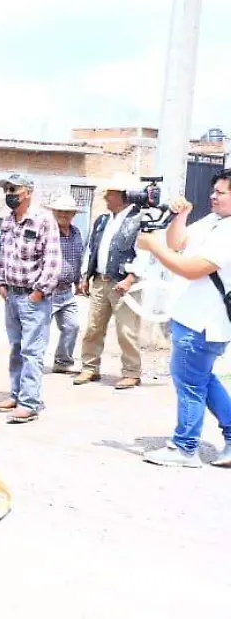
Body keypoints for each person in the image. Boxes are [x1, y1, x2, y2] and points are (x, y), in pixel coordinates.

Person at [135, 169, 231, 468]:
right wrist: (181, 217)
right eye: (214, 190)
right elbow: (178, 244)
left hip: (202, 322)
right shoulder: (214, 221)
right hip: (191, 317)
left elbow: (191, 269)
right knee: (203, 380)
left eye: (221, 192)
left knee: (190, 384)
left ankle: (184, 447)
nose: (213, 196)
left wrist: (153, 246)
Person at [0, 173, 62, 424]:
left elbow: (52, 261)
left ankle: (29, 403)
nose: (9, 194)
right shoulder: (8, 221)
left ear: (28, 192)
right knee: (16, 348)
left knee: (32, 352)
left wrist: (38, 293)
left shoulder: (43, 220)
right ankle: (16, 394)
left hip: (33, 298)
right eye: (7, 190)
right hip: (11, 295)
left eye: (14, 189)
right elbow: (4, 254)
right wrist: (0, 282)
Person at [74, 174, 144, 389]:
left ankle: (132, 372)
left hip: (125, 284)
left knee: (126, 330)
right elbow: (91, 249)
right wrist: (86, 276)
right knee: (93, 328)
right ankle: (90, 367)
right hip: (100, 281)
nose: (105, 197)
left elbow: (145, 255)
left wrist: (130, 279)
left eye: (110, 193)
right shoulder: (103, 220)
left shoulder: (139, 220)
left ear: (124, 195)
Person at [45, 194, 86, 375]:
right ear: (53, 212)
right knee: (39, 330)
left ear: (73, 214)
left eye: (67, 212)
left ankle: (62, 362)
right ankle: (31, 362)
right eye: (60, 211)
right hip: (48, 291)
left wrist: (79, 281)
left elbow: (78, 258)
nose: (63, 215)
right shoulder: (47, 233)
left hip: (67, 291)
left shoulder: (76, 233)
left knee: (72, 326)